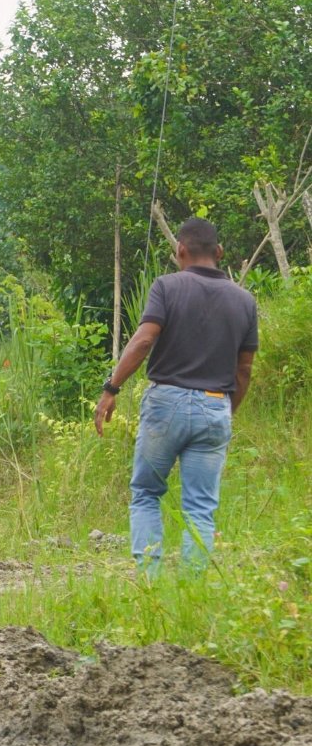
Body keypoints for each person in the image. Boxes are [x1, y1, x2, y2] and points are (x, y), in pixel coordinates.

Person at [94, 218, 257, 575]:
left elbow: (143, 340)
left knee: (147, 493)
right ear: (220, 253)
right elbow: (243, 370)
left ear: (180, 251)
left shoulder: (166, 286)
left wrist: (111, 389)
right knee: (200, 507)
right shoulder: (245, 301)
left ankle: (150, 583)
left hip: (166, 403)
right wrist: (226, 410)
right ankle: (193, 590)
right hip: (217, 404)